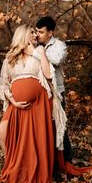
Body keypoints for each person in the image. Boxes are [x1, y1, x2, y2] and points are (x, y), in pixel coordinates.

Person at [0, 24, 92, 183]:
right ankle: (13, 165)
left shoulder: (39, 53)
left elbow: (47, 75)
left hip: (39, 103)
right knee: (2, 133)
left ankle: (28, 168)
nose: (35, 36)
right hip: (16, 105)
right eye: (31, 33)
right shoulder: (9, 60)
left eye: (36, 32)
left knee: (33, 139)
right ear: (22, 36)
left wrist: (39, 53)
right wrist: (14, 101)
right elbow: (4, 84)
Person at [35, 16, 73, 162]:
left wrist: (40, 53)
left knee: (60, 126)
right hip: (39, 93)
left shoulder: (60, 46)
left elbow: (57, 60)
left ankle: (67, 162)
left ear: (50, 33)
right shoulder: (36, 45)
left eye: (41, 32)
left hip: (56, 92)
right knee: (44, 129)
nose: (37, 34)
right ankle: (50, 163)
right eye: (36, 31)